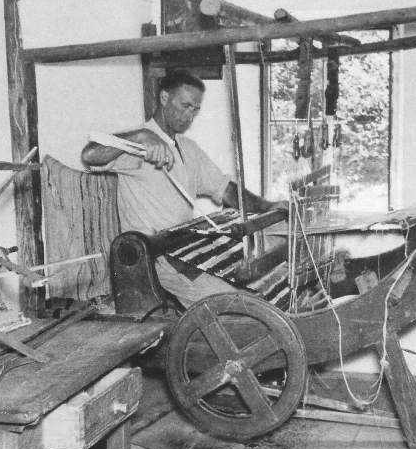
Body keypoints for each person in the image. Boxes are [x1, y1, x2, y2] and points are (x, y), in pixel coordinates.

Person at [81, 69, 286, 308]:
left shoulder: (189, 149)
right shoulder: (139, 147)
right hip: (157, 257)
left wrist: (268, 206)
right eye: (185, 105)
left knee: (259, 277)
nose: (189, 116)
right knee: (236, 304)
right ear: (165, 98)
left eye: (195, 109)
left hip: (187, 249)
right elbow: (90, 155)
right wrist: (141, 136)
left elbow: (226, 189)